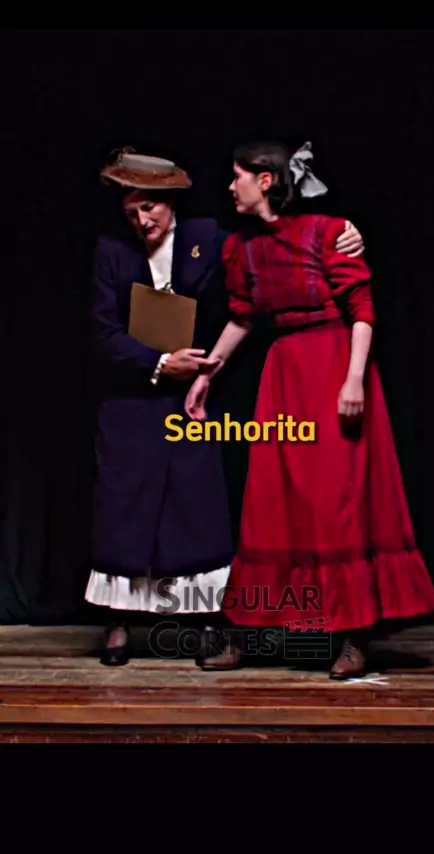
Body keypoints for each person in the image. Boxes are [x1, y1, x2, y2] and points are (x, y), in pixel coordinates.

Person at [85, 146, 366, 666]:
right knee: (124, 504)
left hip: (195, 396)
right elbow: (102, 331)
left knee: (195, 506)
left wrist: (347, 232)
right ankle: (118, 621)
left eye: (149, 208)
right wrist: (157, 362)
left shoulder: (210, 238)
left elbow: (272, 248)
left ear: (170, 202)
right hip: (135, 393)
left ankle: (207, 619)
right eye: (131, 212)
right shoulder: (111, 251)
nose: (142, 221)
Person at [185, 140, 434, 679]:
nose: (230, 187)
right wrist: (207, 375)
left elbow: (361, 309)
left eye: (237, 176)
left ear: (265, 180)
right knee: (270, 501)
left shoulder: (328, 232)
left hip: (333, 367)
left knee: (335, 503)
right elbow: (242, 317)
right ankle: (249, 633)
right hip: (285, 377)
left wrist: (354, 379)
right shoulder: (241, 250)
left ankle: (352, 635)